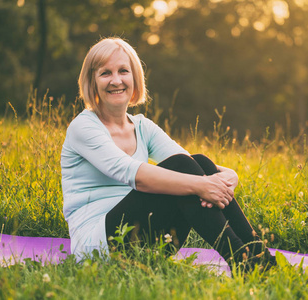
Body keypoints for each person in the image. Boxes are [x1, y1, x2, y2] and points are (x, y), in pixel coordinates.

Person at [61, 37, 276, 271]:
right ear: (92, 81)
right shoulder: (83, 127)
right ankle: (241, 260)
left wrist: (230, 174)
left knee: (198, 161)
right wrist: (200, 185)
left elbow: (193, 165)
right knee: (188, 173)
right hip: (98, 246)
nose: (116, 81)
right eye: (105, 73)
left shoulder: (142, 127)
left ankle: (259, 255)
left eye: (123, 71)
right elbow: (136, 175)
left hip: (147, 242)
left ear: (134, 78)